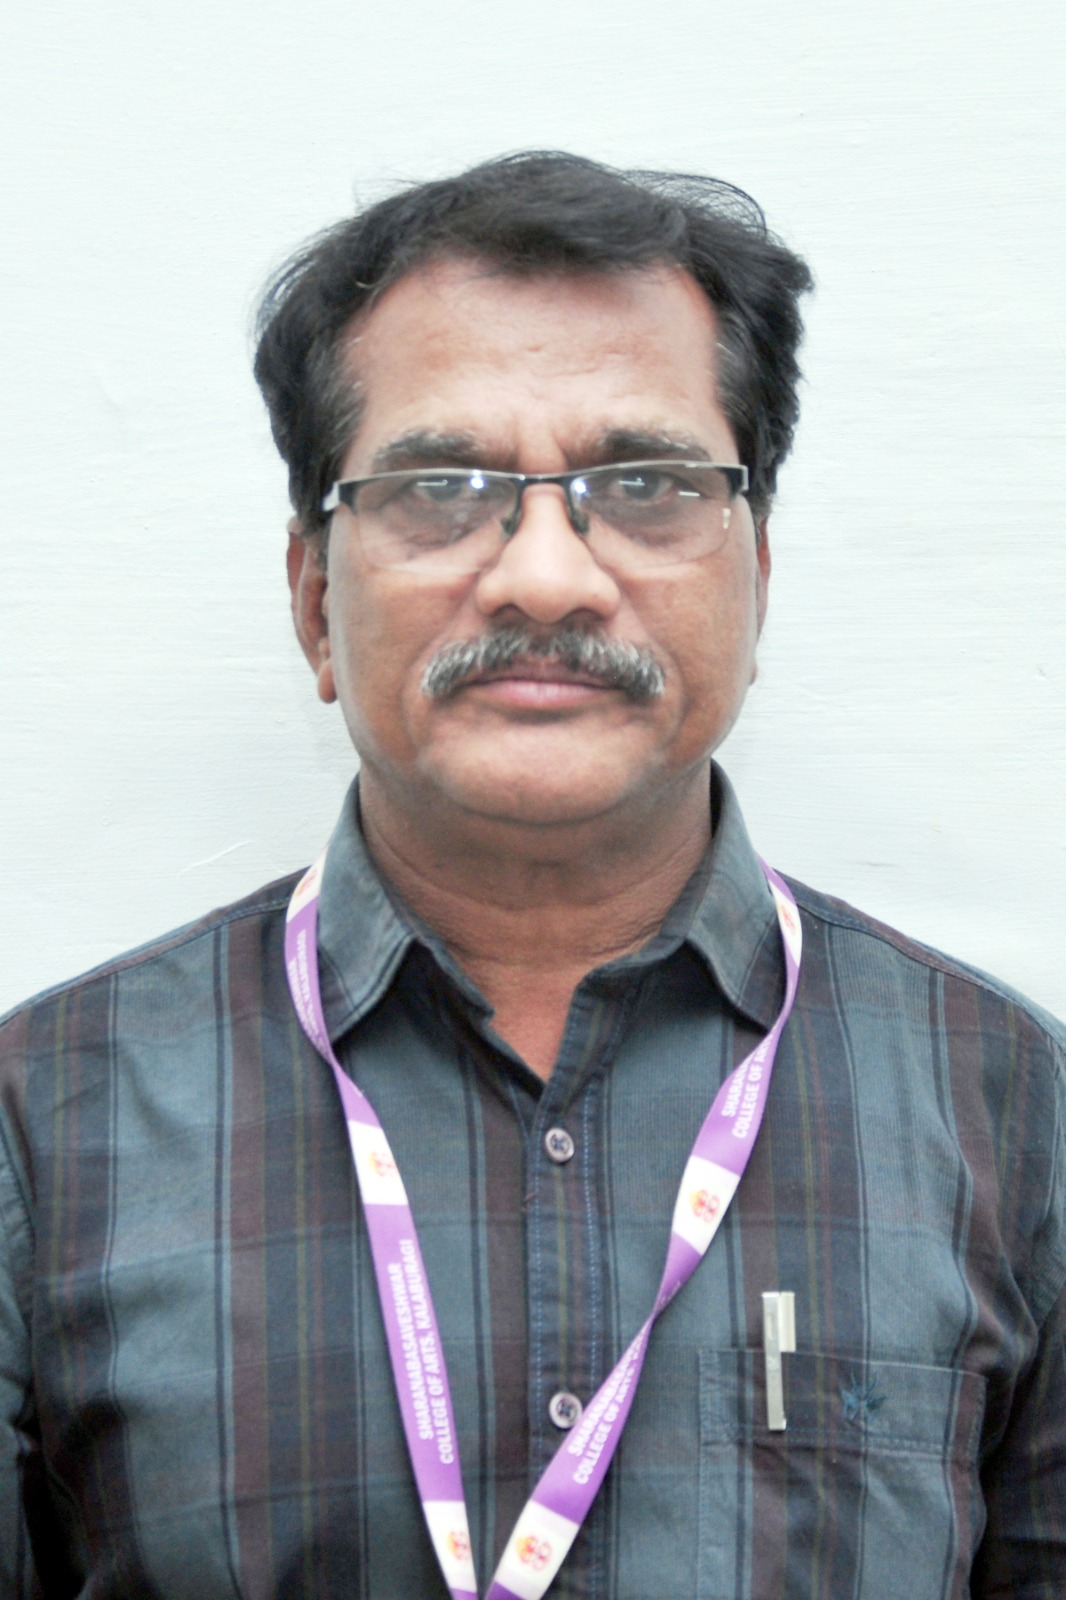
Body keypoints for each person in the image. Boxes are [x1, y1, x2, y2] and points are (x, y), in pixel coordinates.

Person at [0, 152, 1062, 1600]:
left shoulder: (1014, 1108)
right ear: (314, 602)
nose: (547, 577)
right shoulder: (46, 1123)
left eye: (647, 484)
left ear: (756, 579)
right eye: (441, 488)